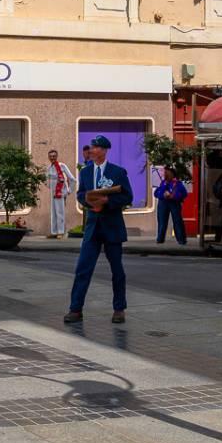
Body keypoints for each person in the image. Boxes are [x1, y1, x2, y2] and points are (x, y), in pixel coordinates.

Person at [66, 135, 132, 325]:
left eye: (95, 147)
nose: (91, 150)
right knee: (83, 268)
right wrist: (89, 202)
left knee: (117, 270)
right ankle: (75, 309)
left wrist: (107, 201)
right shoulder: (86, 172)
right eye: (91, 147)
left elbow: (127, 197)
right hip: (93, 227)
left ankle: (119, 309)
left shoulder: (117, 172)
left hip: (112, 227)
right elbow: (81, 194)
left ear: (103, 150)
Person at [44, 148, 77, 238]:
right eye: (50, 156)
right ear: (48, 157)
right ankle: (54, 232)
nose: (52, 158)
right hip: (53, 193)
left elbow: (72, 179)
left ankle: (60, 232)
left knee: (60, 212)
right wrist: (50, 186)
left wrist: (68, 191)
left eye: (54, 156)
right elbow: (45, 179)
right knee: (53, 212)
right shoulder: (48, 167)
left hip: (60, 192)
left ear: (57, 156)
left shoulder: (62, 166)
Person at [154, 165, 190, 246]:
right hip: (163, 203)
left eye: (167, 172)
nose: (165, 174)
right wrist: (163, 193)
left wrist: (173, 196)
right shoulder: (163, 183)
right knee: (162, 221)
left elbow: (184, 194)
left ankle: (181, 239)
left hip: (174, 203)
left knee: (177, 221)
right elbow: (156, 193)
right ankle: (160, 238)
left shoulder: (177, 183)